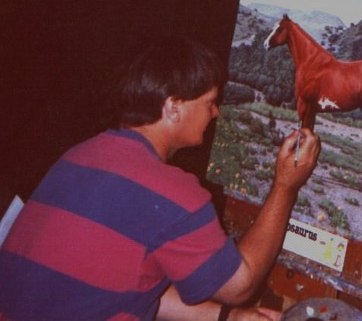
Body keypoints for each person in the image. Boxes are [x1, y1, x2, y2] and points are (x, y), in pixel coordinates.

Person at [0, 36, 321, 320]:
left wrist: (228, 317)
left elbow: (130, 289)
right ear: (173, 108)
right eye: (209, 102)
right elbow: (242, 284)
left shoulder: (79, 155)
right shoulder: (172, 193)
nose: (216, 113)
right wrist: (285, 186)